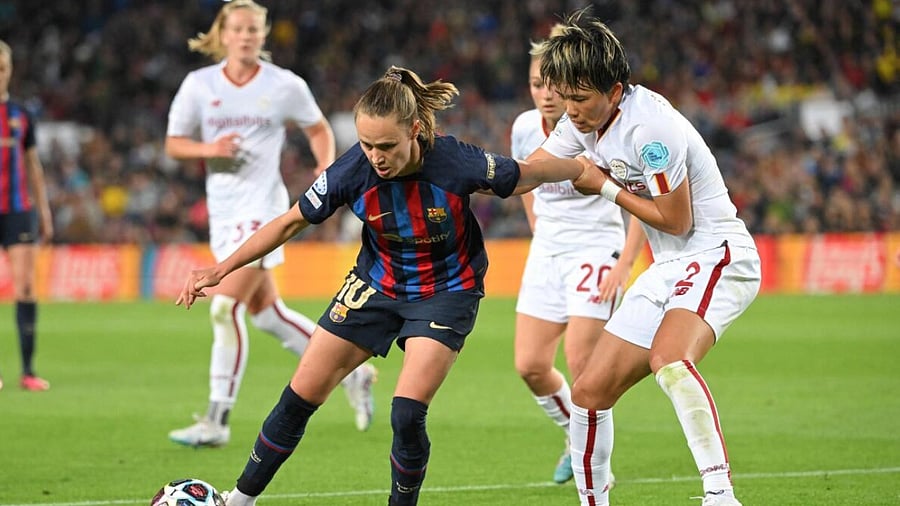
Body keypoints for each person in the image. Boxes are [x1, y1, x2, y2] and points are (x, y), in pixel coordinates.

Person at [175, 65, 590, 506]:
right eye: (368, 144)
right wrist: (222, 269)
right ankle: (239, 500)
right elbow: (291, 220)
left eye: (387, 145)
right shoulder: (352, 169)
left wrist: (584, 169)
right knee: (300, 395)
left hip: (446, 291)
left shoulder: (455, 162)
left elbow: (524, 174)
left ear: (415, 131)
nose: (376, 156)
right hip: (376, 284)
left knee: (406, 414)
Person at [532, 12, 762, 506]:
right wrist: (470, 172)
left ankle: (719, 495)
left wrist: (605, 187)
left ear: (614, 91)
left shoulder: (649, 129)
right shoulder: (587, 122)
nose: (568, 111)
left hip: (719, 254)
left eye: (579, 98)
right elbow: (538, 168)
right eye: (564, 98)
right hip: (670, 268)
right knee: (589, 393)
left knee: (670, 360)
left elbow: (676, 221)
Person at [164, 0, 376, 446]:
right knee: (268, 315)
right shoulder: (198, 86)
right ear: (223, 33)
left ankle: (216, 420)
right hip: (223, 213)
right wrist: (211, 150)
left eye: (254, 30)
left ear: (263, 35)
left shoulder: (284, 85)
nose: (246, 36)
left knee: (225, 307)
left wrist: (324, 168)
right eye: (238, 29)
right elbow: (174, 144)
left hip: (263, 209)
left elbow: (318, 128)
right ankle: (354, 375)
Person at [510, 25, 644, 485]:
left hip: (596, 248)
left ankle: (596, 472)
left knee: (582, 365)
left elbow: (639, 201)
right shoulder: (524, 128)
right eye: (535, 84)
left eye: (552, 85)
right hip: (547, 250)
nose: (544, 95)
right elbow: (524, 179)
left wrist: (625, 265)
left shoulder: (594, 128)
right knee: (529, 364)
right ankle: (576, 437)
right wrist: (534, 223)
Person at [0, 40, 53, 392]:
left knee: (27, 287)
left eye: (1, 66)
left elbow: (33, 166)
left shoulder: (21, 113)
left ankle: (28, 371)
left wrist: (44, 210)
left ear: (10, 69)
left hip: (19, 210)